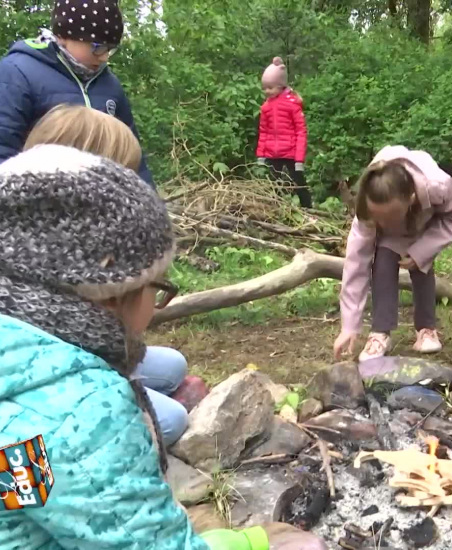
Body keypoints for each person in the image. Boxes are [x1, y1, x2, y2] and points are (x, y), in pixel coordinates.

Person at [0, 145, 269, 549]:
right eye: (156, 285)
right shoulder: (79, 413)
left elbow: (26, 491)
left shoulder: (21, 381)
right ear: (110, 294)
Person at [21, 104, 190, 447]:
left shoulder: (79, 229)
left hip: (83, 356)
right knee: (170, 420)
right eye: (123, 173)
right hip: (45, 382)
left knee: (172, 365)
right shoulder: (32, 249)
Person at [0, 0, 153, 186]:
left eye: (110, 48)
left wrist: (151, 204)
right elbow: (4, 149)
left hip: (105, 204)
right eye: (98, 46)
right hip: (39, 199)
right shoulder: (17, 73)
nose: (104, 56)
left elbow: (135, 162)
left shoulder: (109, 85)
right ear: (63, 35)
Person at [334, 145, 452, 362]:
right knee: (383, 261)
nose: (383, 223)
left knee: (421, 264)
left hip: (426, 221)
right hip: (391, 232)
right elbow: (356, 263)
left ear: (411, 198)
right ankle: (380, 332)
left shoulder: (438, 187)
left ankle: (426, 328)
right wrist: (349, 325)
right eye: (379, 218)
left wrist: (423, 250)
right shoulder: (368, 209)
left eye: (390, 216)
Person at [256, 56, 311, 208]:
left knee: (299, 182)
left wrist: (299, 158)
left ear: (280, 86)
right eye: (265, 88)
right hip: (273, 154)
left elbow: (301, 131)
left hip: (291, 153)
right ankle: (276, 209)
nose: (267, 91)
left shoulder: (292, 104)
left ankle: (308, 208)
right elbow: (264, 132)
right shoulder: (265, 107)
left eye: (270, 87)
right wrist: (261, 154)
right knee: (274, 185)